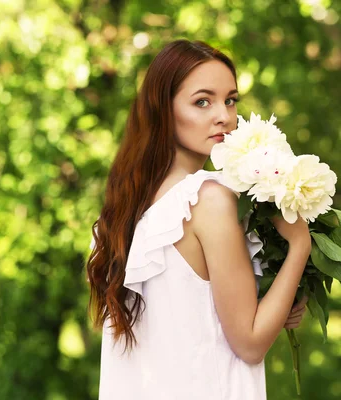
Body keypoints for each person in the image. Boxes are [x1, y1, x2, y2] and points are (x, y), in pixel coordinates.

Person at [86, 39, 311, 400]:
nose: (223, 115)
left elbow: (188, 322)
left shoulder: (123, 212)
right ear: (163, 109)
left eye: (230, 100)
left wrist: (273, 303)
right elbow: (250, 344)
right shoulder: (209, 198)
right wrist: (300, 244)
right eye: (202, 101)